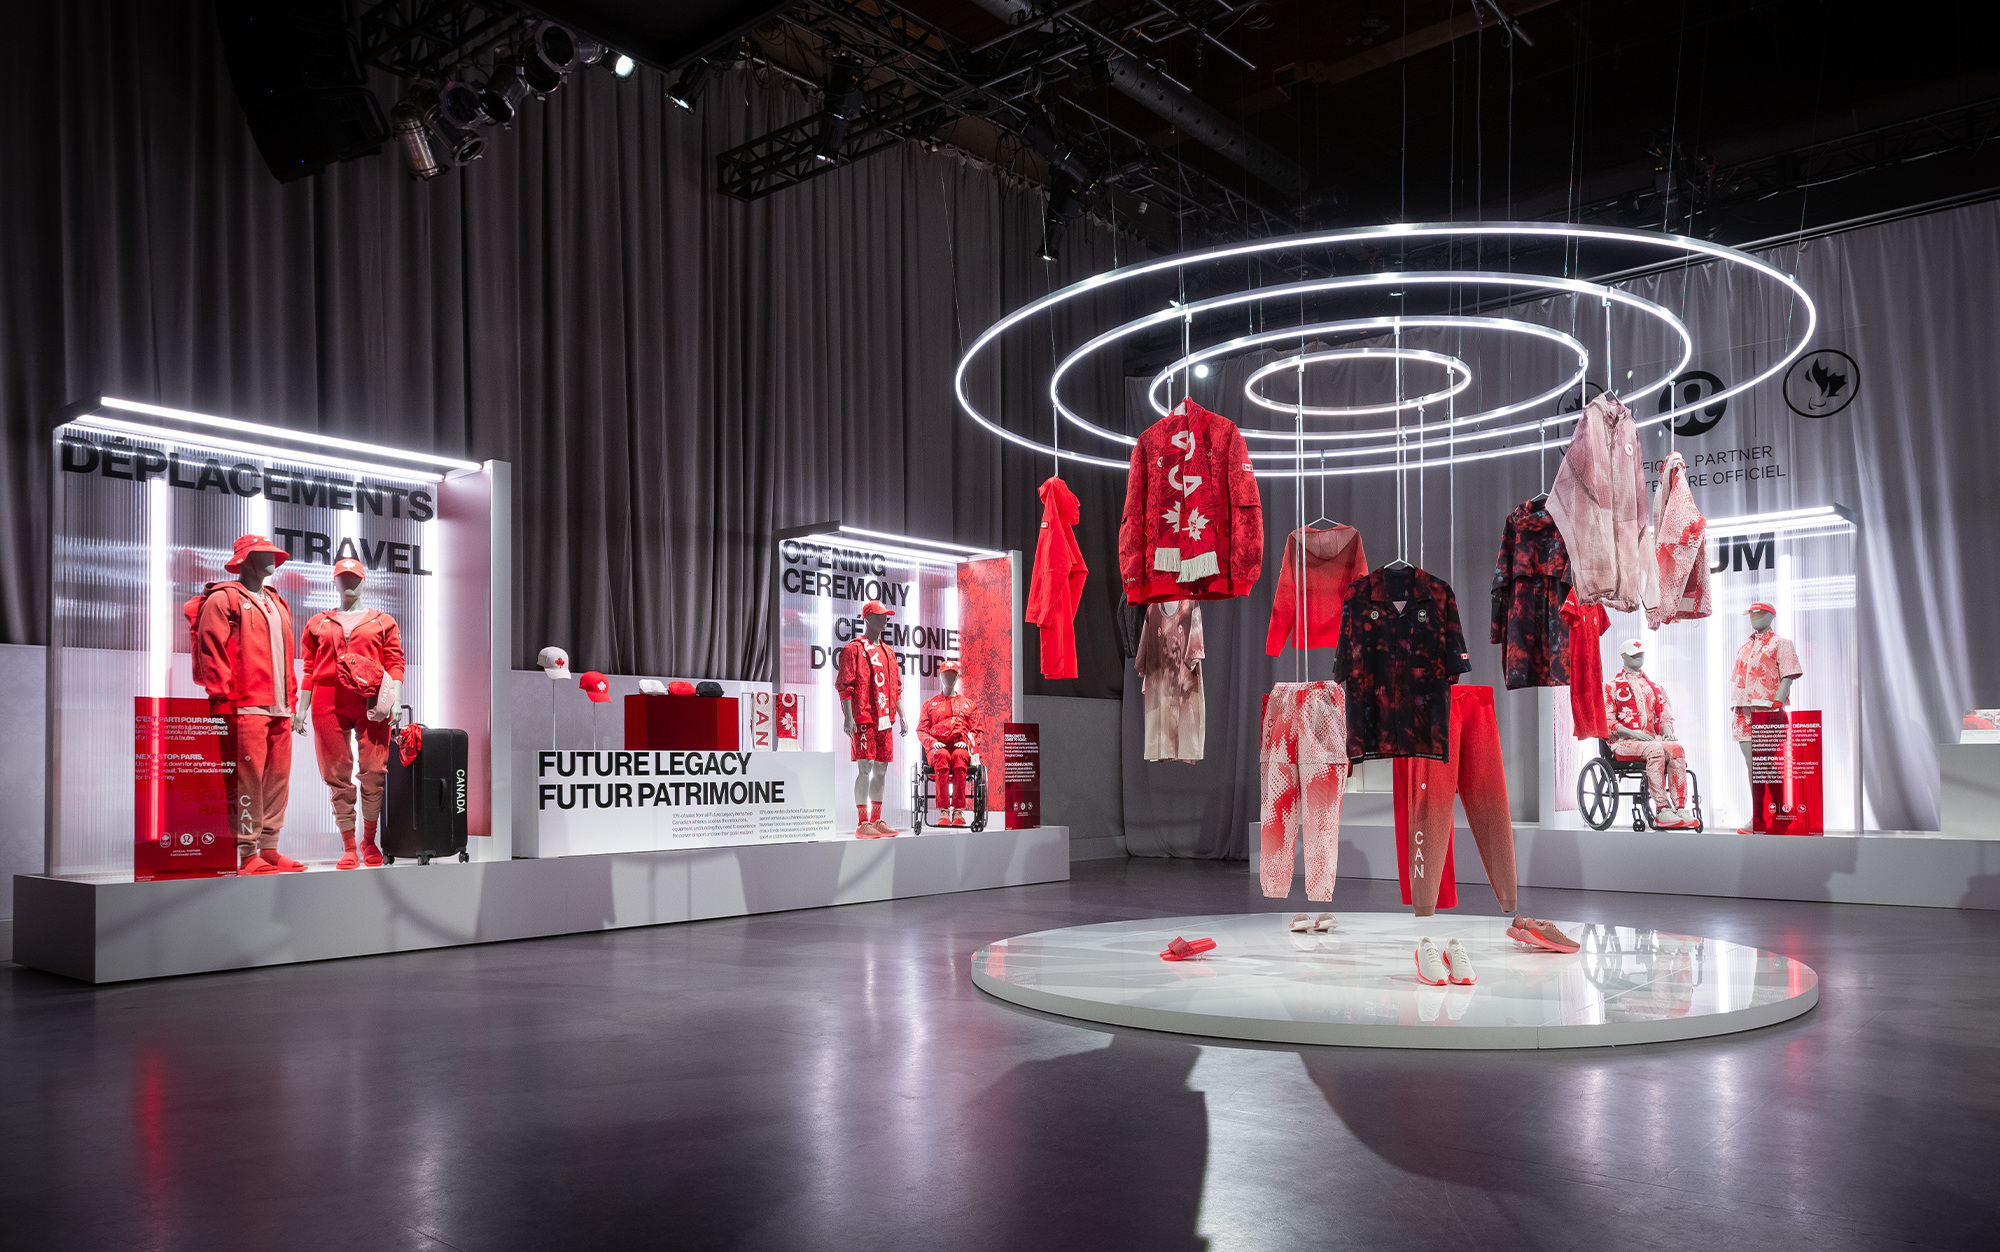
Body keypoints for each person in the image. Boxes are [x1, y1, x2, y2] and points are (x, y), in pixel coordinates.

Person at [295, 558, 405, 868]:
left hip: (371, 699)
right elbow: (309, 668)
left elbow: (395, 662)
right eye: (343, 578)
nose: (349, 583)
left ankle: (368, 841)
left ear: (365, 581)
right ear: (334, 582)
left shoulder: (383, 621)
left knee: (374, 770)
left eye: (355, 578)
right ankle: (348, 846)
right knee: (336, 773)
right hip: (327, 698)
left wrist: (396, 700)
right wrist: (301, 708)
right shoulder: (318, 623)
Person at [836, 600, 906, 837]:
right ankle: (862, 822)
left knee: (881, 769)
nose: (885, 619)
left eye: (886, 615)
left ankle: (876, 819)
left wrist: (902, 715)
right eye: (879, 615)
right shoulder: (853, 649)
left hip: (885, 718)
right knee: (865, 767)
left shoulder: (889, 652)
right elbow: (845, 686)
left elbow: (896, 688)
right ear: (867, 618)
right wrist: (848, 717)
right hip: (863, 716)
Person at [917, 661, 984, 827]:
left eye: (953, 675)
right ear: (940, 677)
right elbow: (922, 730)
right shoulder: (929, 704)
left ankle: (958, 810)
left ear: (957, 677)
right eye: (946, 675)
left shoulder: (969, 705)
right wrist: (932, 742)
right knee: (942, 756)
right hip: (937, 747)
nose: (949, 678)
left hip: (960, 746)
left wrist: (966, 743)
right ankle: (943, 810)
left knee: (960, 756)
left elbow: (976, 729)